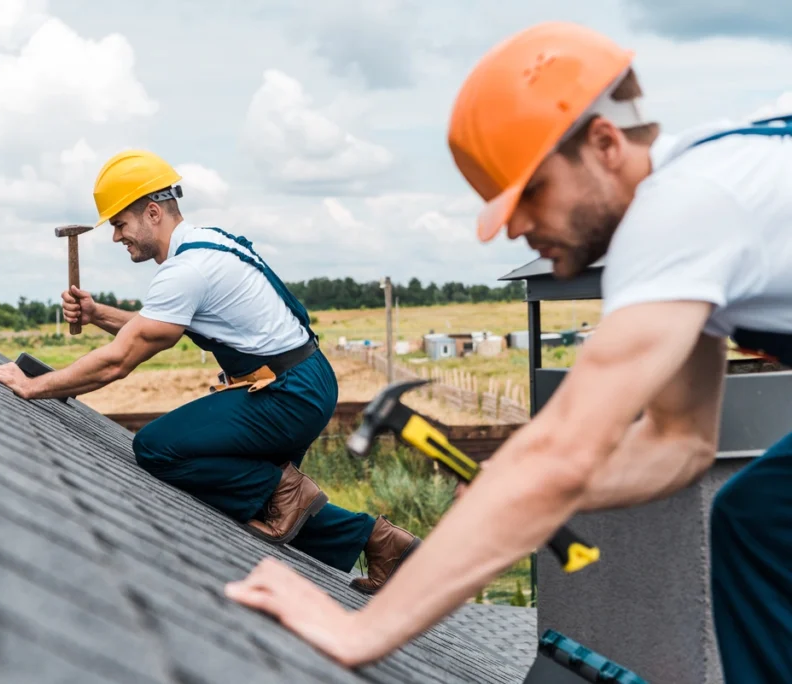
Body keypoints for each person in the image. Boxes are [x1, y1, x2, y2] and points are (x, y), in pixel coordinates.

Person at [223, 21, 792, 683]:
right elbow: (677, 443)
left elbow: (560, 453)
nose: (517, 227)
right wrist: (512, 500)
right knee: (758, 519)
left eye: (533, 193)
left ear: (604, 142)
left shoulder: (681, 212)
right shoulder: (710, 198)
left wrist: (365, 631)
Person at [0, 149, 420, 592]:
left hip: (288, 395)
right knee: (264, 503)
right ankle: (385, 545)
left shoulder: (187, 270)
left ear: (152, 212)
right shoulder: (209, 243)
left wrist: (33, 385)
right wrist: (97, 312)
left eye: (119, 224)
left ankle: (288, 491)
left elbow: (120, 359)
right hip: (304, 381)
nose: (117, 237)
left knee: (159, 448)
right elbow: (152, 327)